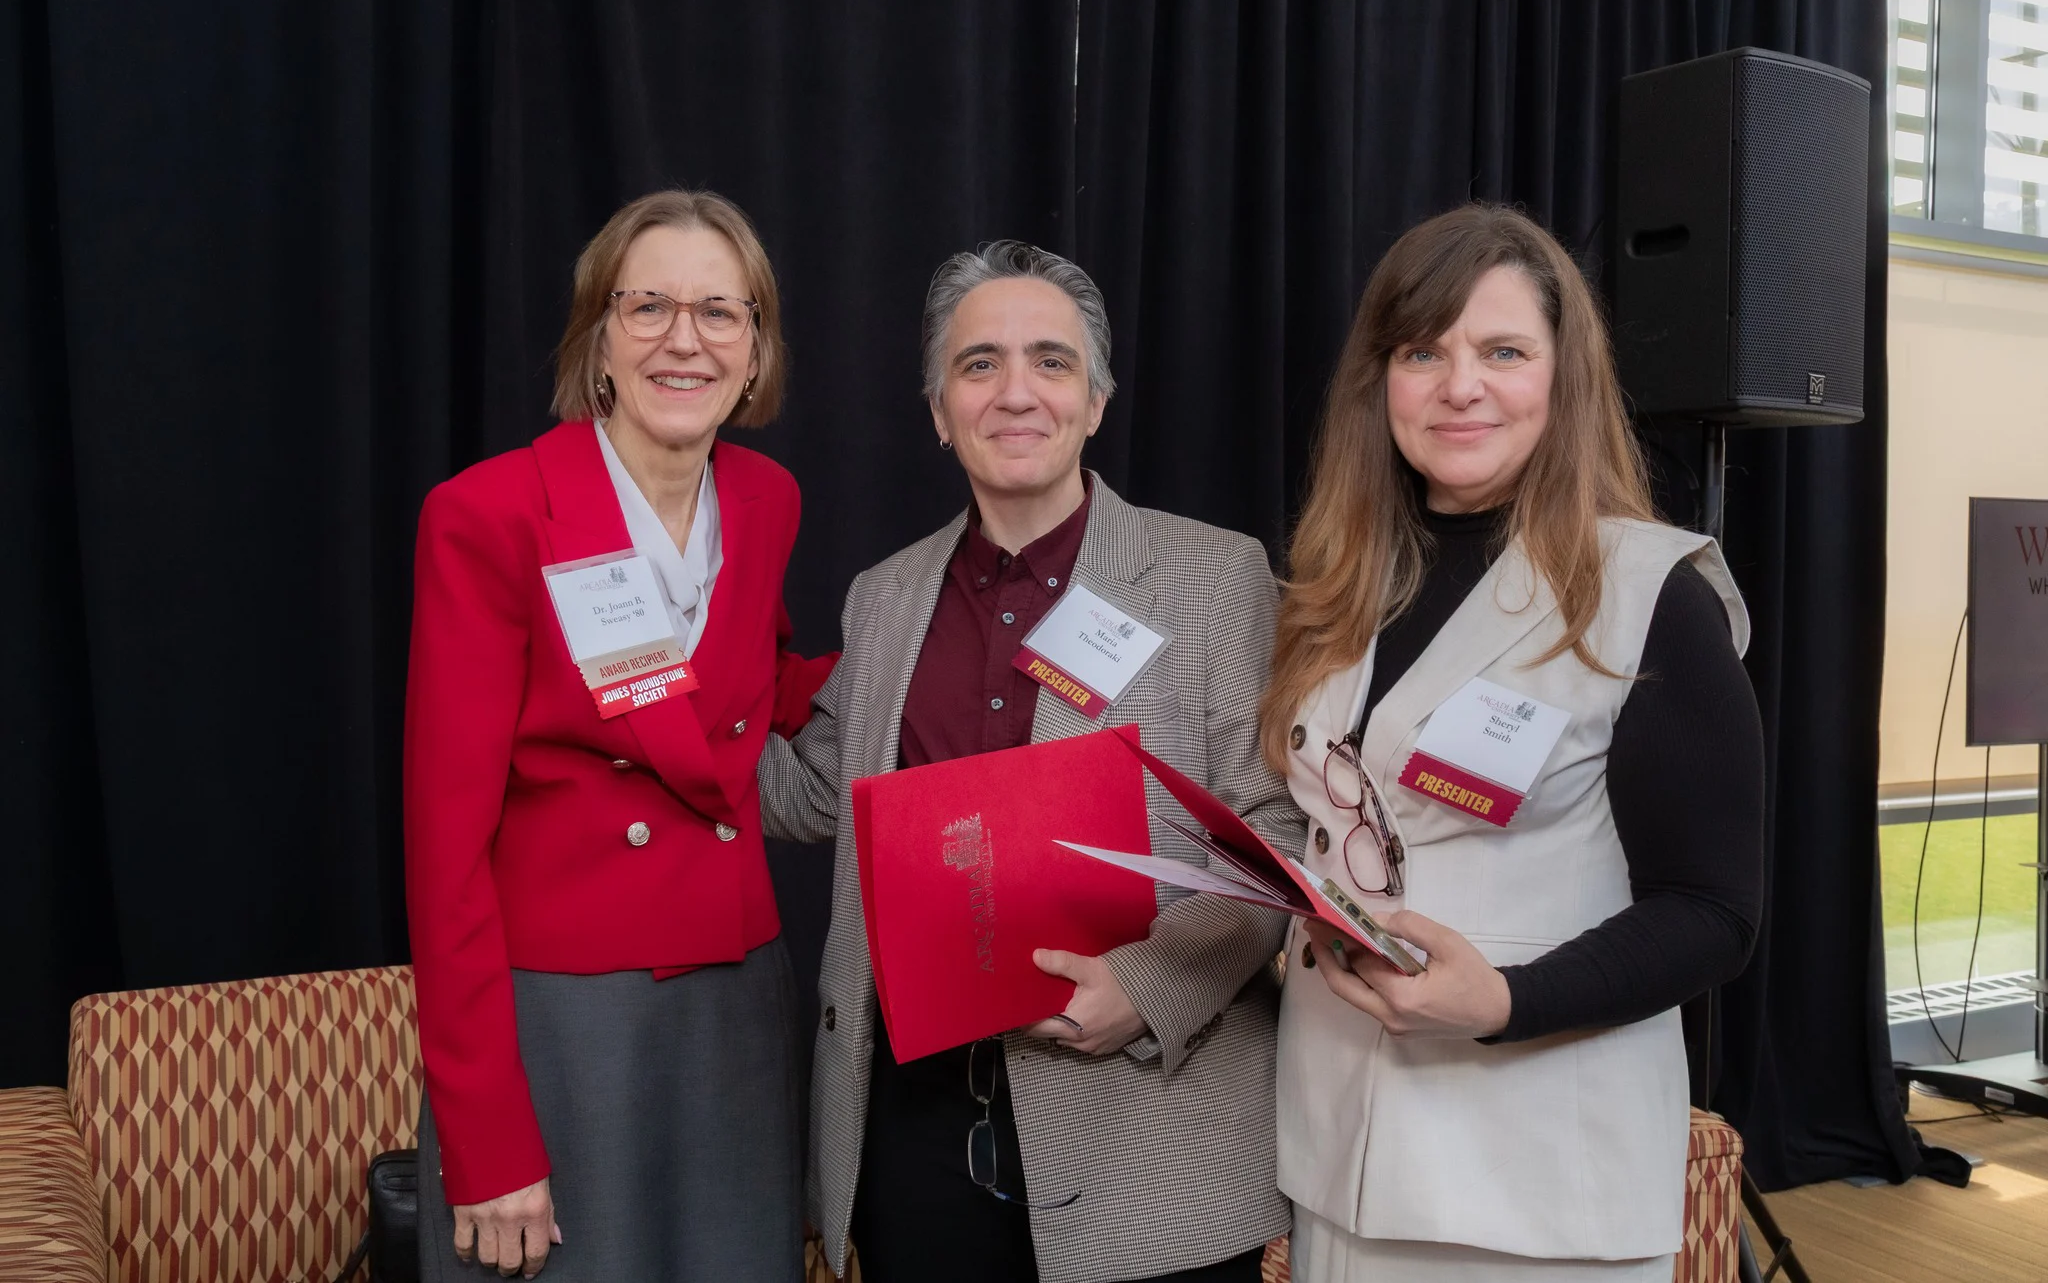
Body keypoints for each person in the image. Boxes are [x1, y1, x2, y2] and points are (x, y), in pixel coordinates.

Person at [759, 241, 1302, 1283]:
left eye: (1050, 363)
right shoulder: (884, 597)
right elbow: (816, 786)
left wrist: (1145, 988)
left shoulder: (1210, 575)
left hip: (1145, 1134)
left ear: (1095, 402)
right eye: (978, 365)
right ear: (936, 409)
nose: (1016, 392)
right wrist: (655, 687)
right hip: (915, 1129)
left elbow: (1273, 835)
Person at [1261, 202, 1765, 1282]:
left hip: (1532, 1175)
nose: (1459, 386)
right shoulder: (1334, 592)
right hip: (1338, 1144)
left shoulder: (1646, 594)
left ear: (1562, 375)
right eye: (1421, 352)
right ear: (1378, 380)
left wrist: (1504, 1001)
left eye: (1501, 351)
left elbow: (1713, 914)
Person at [405, 189, 832, 1281]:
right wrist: (487, 1138)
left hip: (734, 996)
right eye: (648, 307)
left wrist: (926, 664)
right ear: (599, 339)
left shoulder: (767, 497)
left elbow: (749, 688)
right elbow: (443, 851)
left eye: (719, 313)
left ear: (754, 351)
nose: (683, 339)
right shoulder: (490, 515)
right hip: (563, 1017)